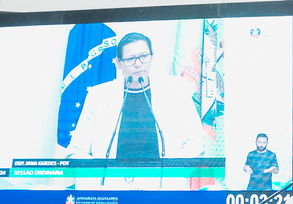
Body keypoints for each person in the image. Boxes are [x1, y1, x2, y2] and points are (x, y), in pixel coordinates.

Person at [65, 32, 207, 184]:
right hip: (111, 191)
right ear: (118, 63)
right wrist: (101, 177)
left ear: (152, 56)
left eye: (144, 56)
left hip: (161, 188)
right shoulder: (99, 95)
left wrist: (170, 173)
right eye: (130, 59)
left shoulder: (175, 88)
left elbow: (197, 141)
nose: (138, 63)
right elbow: (76, 151)